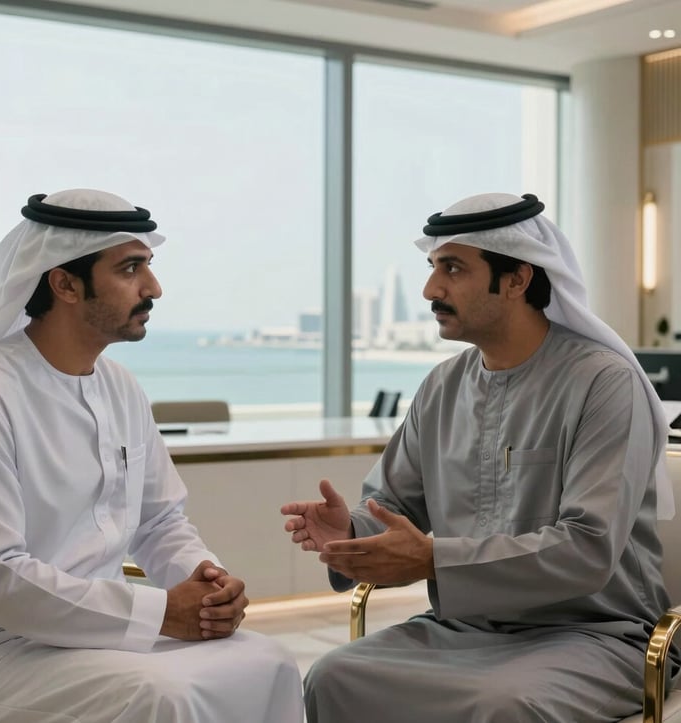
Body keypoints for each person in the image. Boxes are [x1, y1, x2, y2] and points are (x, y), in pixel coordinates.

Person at [281, 191, 679, 723]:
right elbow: (395, 506)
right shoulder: (443, 387)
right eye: (432, 267)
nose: (431, 289)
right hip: (466, 627)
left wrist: (432, 559)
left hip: (597, 635)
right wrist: (350, 533)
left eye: (453, 268)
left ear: (516, 279)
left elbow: (587, 548)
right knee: (333, 677)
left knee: (505, 705)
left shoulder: (604, 384)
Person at [0, 188, 303, 723]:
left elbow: (160, 519)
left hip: (98, 634)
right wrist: (162, 611)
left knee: (270, 661)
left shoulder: (119, 385)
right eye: (130, 269)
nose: (154, 287)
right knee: (162, 697)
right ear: (65, 283)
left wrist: (206, 583)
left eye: (148, 266)